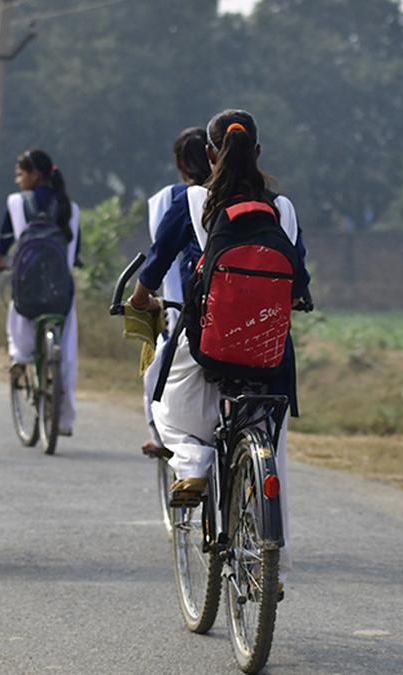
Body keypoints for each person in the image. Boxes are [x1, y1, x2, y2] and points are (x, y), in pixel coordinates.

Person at [129, 109, 311, 584]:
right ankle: (271, 566)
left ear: (210, 154)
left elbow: (155, 264)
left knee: (168, 408)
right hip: (270, 355)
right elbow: (300, 284)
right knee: (270, 447)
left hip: (207, 342)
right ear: (258, 152)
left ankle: (192, 465)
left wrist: (140, 297)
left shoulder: (193, 202)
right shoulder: (283, 209)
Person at [0, 149, 81, 436]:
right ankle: (63, 418)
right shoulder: (69, 207)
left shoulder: (17, 203)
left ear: (34, 174)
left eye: (20, 174)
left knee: (18, 315)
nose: (17, 180)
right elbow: (74, 254)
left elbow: (3, 245)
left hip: (28, 288)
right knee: (67, 349)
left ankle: (21, 357)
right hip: (61, 290)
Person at [138, 127, 210, 454]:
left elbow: (161, 255)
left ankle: (177, 449)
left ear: (180, 163)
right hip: (254, 324)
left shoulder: (175, 199)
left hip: (189, 316)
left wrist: (141, 297)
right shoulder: (263, 200)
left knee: (161, 382)